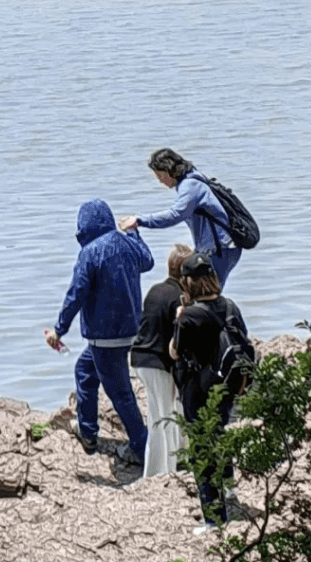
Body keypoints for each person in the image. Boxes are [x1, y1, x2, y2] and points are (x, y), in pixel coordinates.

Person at [45, 199, 153, 467]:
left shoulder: (89, 253)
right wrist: (134, 231)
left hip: (105, 336)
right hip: (130, 330)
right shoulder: (127, 242)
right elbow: (148, 261)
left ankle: (142, 449)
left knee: (121, 394)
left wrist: (59, 329)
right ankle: (89, 432)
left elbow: (76, 294)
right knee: (85, 370)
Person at [170, 252, 248, 533]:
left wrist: (179, 317)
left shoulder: (188, 316)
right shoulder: (230, 306)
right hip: (226, 386)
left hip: (198, 390)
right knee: (220, 433)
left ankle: (214, 520)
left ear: (189, 283)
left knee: (202, 449)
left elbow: (175, 352)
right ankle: (227, 487)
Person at [117, 148, 242, 289]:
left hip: (220, 249)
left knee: (207, 296)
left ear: (168, 170)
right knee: (203, 295)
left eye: (159, 175)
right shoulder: (191, 179)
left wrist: (139, 220)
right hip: (219, 247)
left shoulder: (190, 186)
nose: (159, 180)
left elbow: (174, 215)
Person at [130, 243, 192, 478]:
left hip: (140, 358)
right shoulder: (179, 298)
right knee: (162, 417)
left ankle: (173, 461)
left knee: (164, 412)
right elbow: (177, 338)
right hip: (157, 362)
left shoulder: (156, 289)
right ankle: (158, 473)